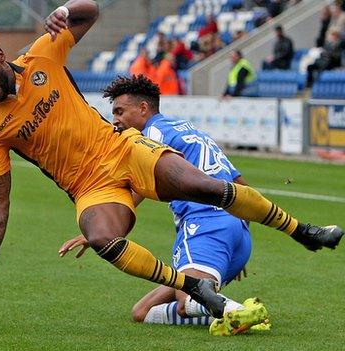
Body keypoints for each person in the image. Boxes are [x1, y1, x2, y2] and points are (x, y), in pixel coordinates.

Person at [0, 0, 342, 319]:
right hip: (88, 187)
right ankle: (193, 287)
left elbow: (92, 11)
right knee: (104, 238)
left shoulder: (42, 57)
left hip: (121, 150)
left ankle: (302, 232)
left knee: (203, 186)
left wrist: (67, 9)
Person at [59, 75, 269, 336]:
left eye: (120, 111)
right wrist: (236, 238)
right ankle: (231, 311)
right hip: (233, 231)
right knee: (142, 313)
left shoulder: (150, 135)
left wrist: (102, 235)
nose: (115, 120)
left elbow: (132, 195)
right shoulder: (188, 129)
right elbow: (240, 185)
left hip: (204, 227)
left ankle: (240, 312)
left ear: (144, 108)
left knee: (186, 304)